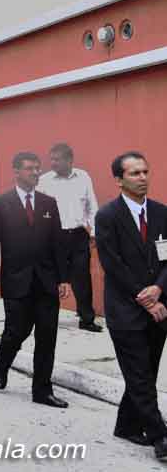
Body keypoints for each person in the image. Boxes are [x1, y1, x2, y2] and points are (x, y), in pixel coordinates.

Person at [0, 152, 70, 408]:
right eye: (29, 168)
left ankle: (42, 390)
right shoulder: (1, 203)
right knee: (16, 332)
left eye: (37, 168)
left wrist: (64, 278)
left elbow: (58, 243)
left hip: (46, 281)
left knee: (47, 336)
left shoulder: (49, 203)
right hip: (16, 280)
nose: (35, 172)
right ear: (16, 171)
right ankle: (2, 365)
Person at [96, 151, 167, 460]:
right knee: (139, 375)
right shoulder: (107, 216)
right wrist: (145, 298)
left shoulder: (162, 212)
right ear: (119, 180)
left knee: (145, 372)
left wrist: (159, 289)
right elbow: (113, 265)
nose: (142, 178)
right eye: (135, 173)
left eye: (145, 172)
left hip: (160, 306)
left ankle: (126, 425)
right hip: (126, 310)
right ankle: (160, 436)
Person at [38, 142, 102, 332]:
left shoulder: (83, 177)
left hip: (78, 236)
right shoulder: (44, 181)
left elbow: (92, 206)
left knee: (82, 278)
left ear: (69, 160)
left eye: (57, 159)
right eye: (51, 159)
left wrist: (94, 232)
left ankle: (86, 319)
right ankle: (47, 318)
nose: (53, 163)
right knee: (51, 278)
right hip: (54, 237)